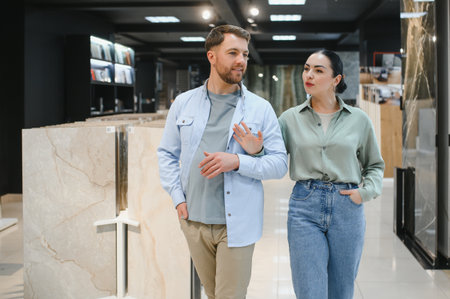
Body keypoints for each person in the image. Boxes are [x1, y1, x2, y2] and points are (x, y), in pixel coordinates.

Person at [233, 49, 385, 299]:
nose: (309, 75)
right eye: (306, 68)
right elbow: (274, 158)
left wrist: (364, 193)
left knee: (341, 289)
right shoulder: (290, 118)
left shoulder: (358, 120)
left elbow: (375, 166)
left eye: (318, 70)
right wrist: (256, 150)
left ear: (336, 80)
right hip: (305, 206)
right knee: (309, 290)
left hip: (347, 206)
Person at [157, 24, 288, 299]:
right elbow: (167, 154)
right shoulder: (183, 103)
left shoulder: (259, 108)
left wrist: (239, 161)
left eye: (245, 54)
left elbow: (279, 164)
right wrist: (178, 198)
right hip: (194, 222)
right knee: (214, 295)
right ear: (211, 56)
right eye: (233, 53)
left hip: (236, 224)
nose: (241, 60)